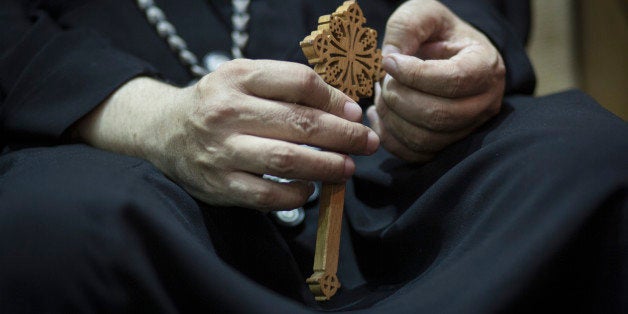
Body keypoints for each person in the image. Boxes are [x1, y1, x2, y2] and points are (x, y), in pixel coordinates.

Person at [0, 0, 625, 312]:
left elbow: (467, 13)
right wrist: (148, 119)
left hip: (396, 157)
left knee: (589, 158)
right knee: (59, 228)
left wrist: (460, 47)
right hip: (108, 142)